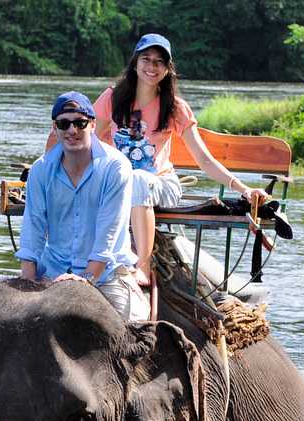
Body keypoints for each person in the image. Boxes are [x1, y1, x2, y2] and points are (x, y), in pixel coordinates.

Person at [94, 33, 271, 286]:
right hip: (119, 185)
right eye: (146, 59)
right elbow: (86, 139)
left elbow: (204, 159)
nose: (151, 67)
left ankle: (142, 266)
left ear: (167, 69)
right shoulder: (113, 99)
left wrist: (243, 189)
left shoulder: (175, 107)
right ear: (135, 63)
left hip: (160, 184)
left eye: (159, 62)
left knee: (139, 179)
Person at [16, 91, 150, 321]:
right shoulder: (40, 170)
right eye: (64, 124)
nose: (72, 130)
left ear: (93, 125)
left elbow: (108, 232)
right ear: (55, 128)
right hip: (53, 269)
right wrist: (27, 284)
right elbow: (33, 228)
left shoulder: (116, 168)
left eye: (80, 123)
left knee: (133, 328)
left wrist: (87, 278)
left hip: (105, 273)